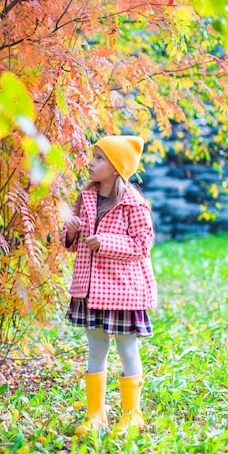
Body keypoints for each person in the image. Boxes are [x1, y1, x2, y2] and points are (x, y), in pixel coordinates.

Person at [61, 135, 157, 435]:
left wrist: (106, 242)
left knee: (127, 348)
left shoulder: (133, 203)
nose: (92, 163)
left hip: (123, 291)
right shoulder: (86, 197)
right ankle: (96, 413)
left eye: (100, 158)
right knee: (95, 348)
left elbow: (143, 244)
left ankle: (132, 414)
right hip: (91, 290)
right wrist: (71, 232)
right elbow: (73, 243)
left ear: (116, 168)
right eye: (94, 156)